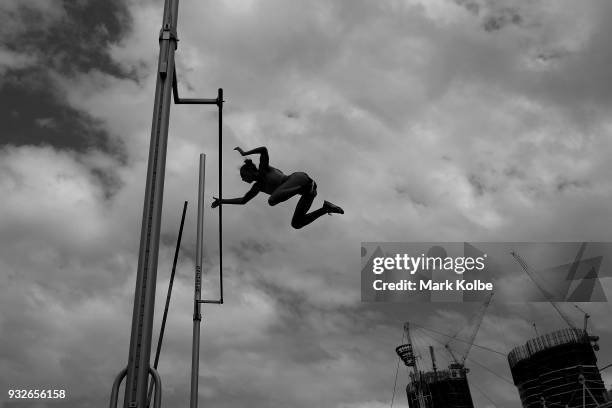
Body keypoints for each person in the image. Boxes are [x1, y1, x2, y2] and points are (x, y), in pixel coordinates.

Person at [211, 146, 343, 229]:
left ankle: (305, 186)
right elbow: (243, 201)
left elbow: (263, 149)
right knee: (296, 223)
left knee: (272, 200)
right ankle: (326, 208)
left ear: (250, 171)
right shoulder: (257, 187)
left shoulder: (263, 169)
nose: (242, 179)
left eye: (243, 175)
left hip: (299, 178)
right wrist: (222, 201)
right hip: (309, 192)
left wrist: (245, 152)